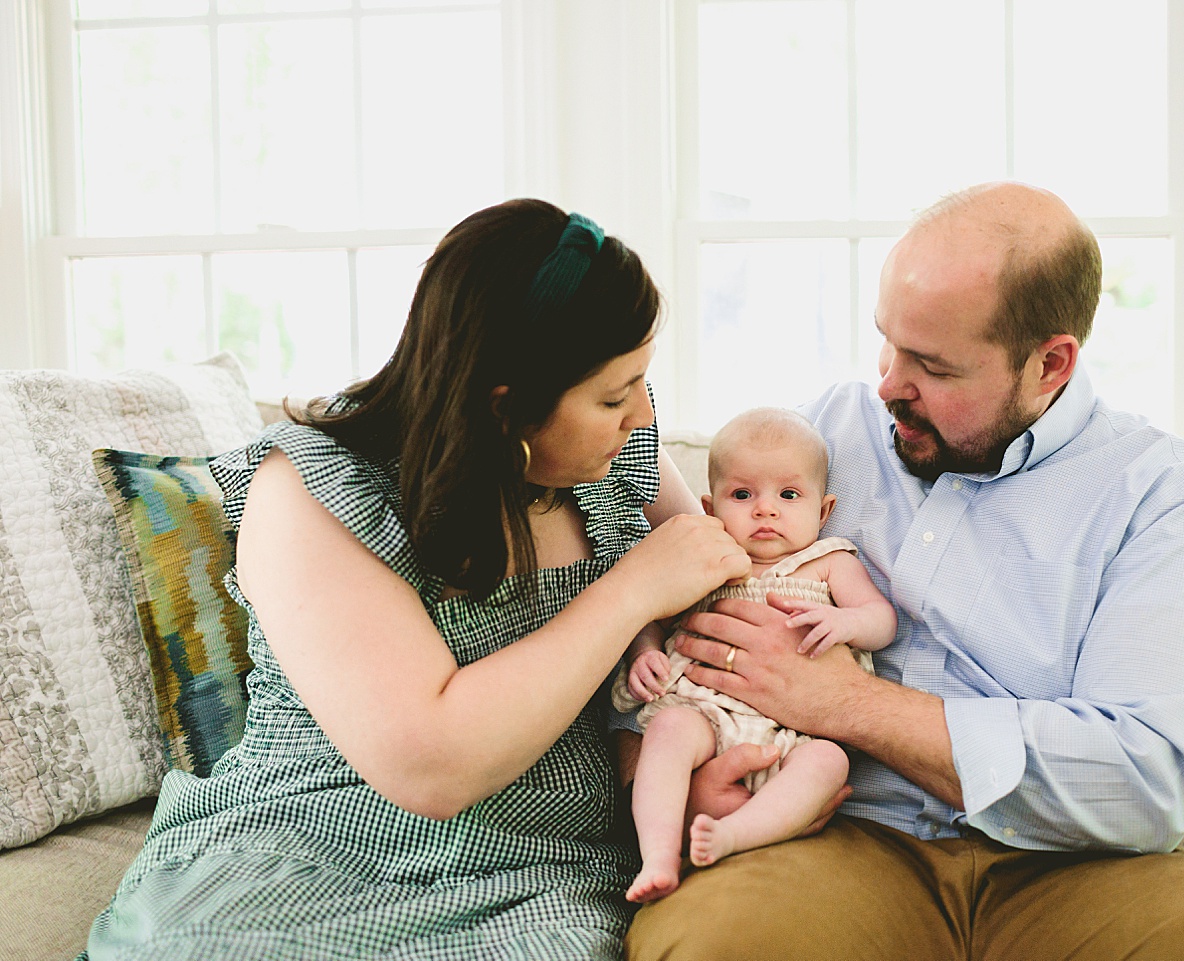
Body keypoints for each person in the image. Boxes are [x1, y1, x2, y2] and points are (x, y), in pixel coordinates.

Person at [621, 182, 1184, 960]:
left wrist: (849, 703)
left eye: (931, 365)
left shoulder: (1164, 494)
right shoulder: (827, 432)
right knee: (714, 947)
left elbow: (1145, 778)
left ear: (1050, 364)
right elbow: (695, 612)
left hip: (1075, 869)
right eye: (888, 343)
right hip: (832, 838)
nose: (889, 384)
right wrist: (696, 778)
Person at [80, 199, 751, 961]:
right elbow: (431, 763)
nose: (639, 415)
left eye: (641, 383)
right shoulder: (314, 488)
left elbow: (726, 590)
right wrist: (631, 590)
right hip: (303, 845)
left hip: (536, 874)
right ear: (506, 408)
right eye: (611, 395)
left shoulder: (614, 456)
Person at [613, 407, 895, 903]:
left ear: (823, 511)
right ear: (711, 506)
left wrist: (845, 622)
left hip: (798, 733)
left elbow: (881, 621)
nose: (765, 510)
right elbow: (651, 615)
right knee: (667, 731)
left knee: (829, 763)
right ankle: (656, 854)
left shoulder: (829, 563)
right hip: (706, 711)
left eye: (788, 495)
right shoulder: (708, 560)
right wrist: (645, 653)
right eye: (743, 495)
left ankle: (735, 835)